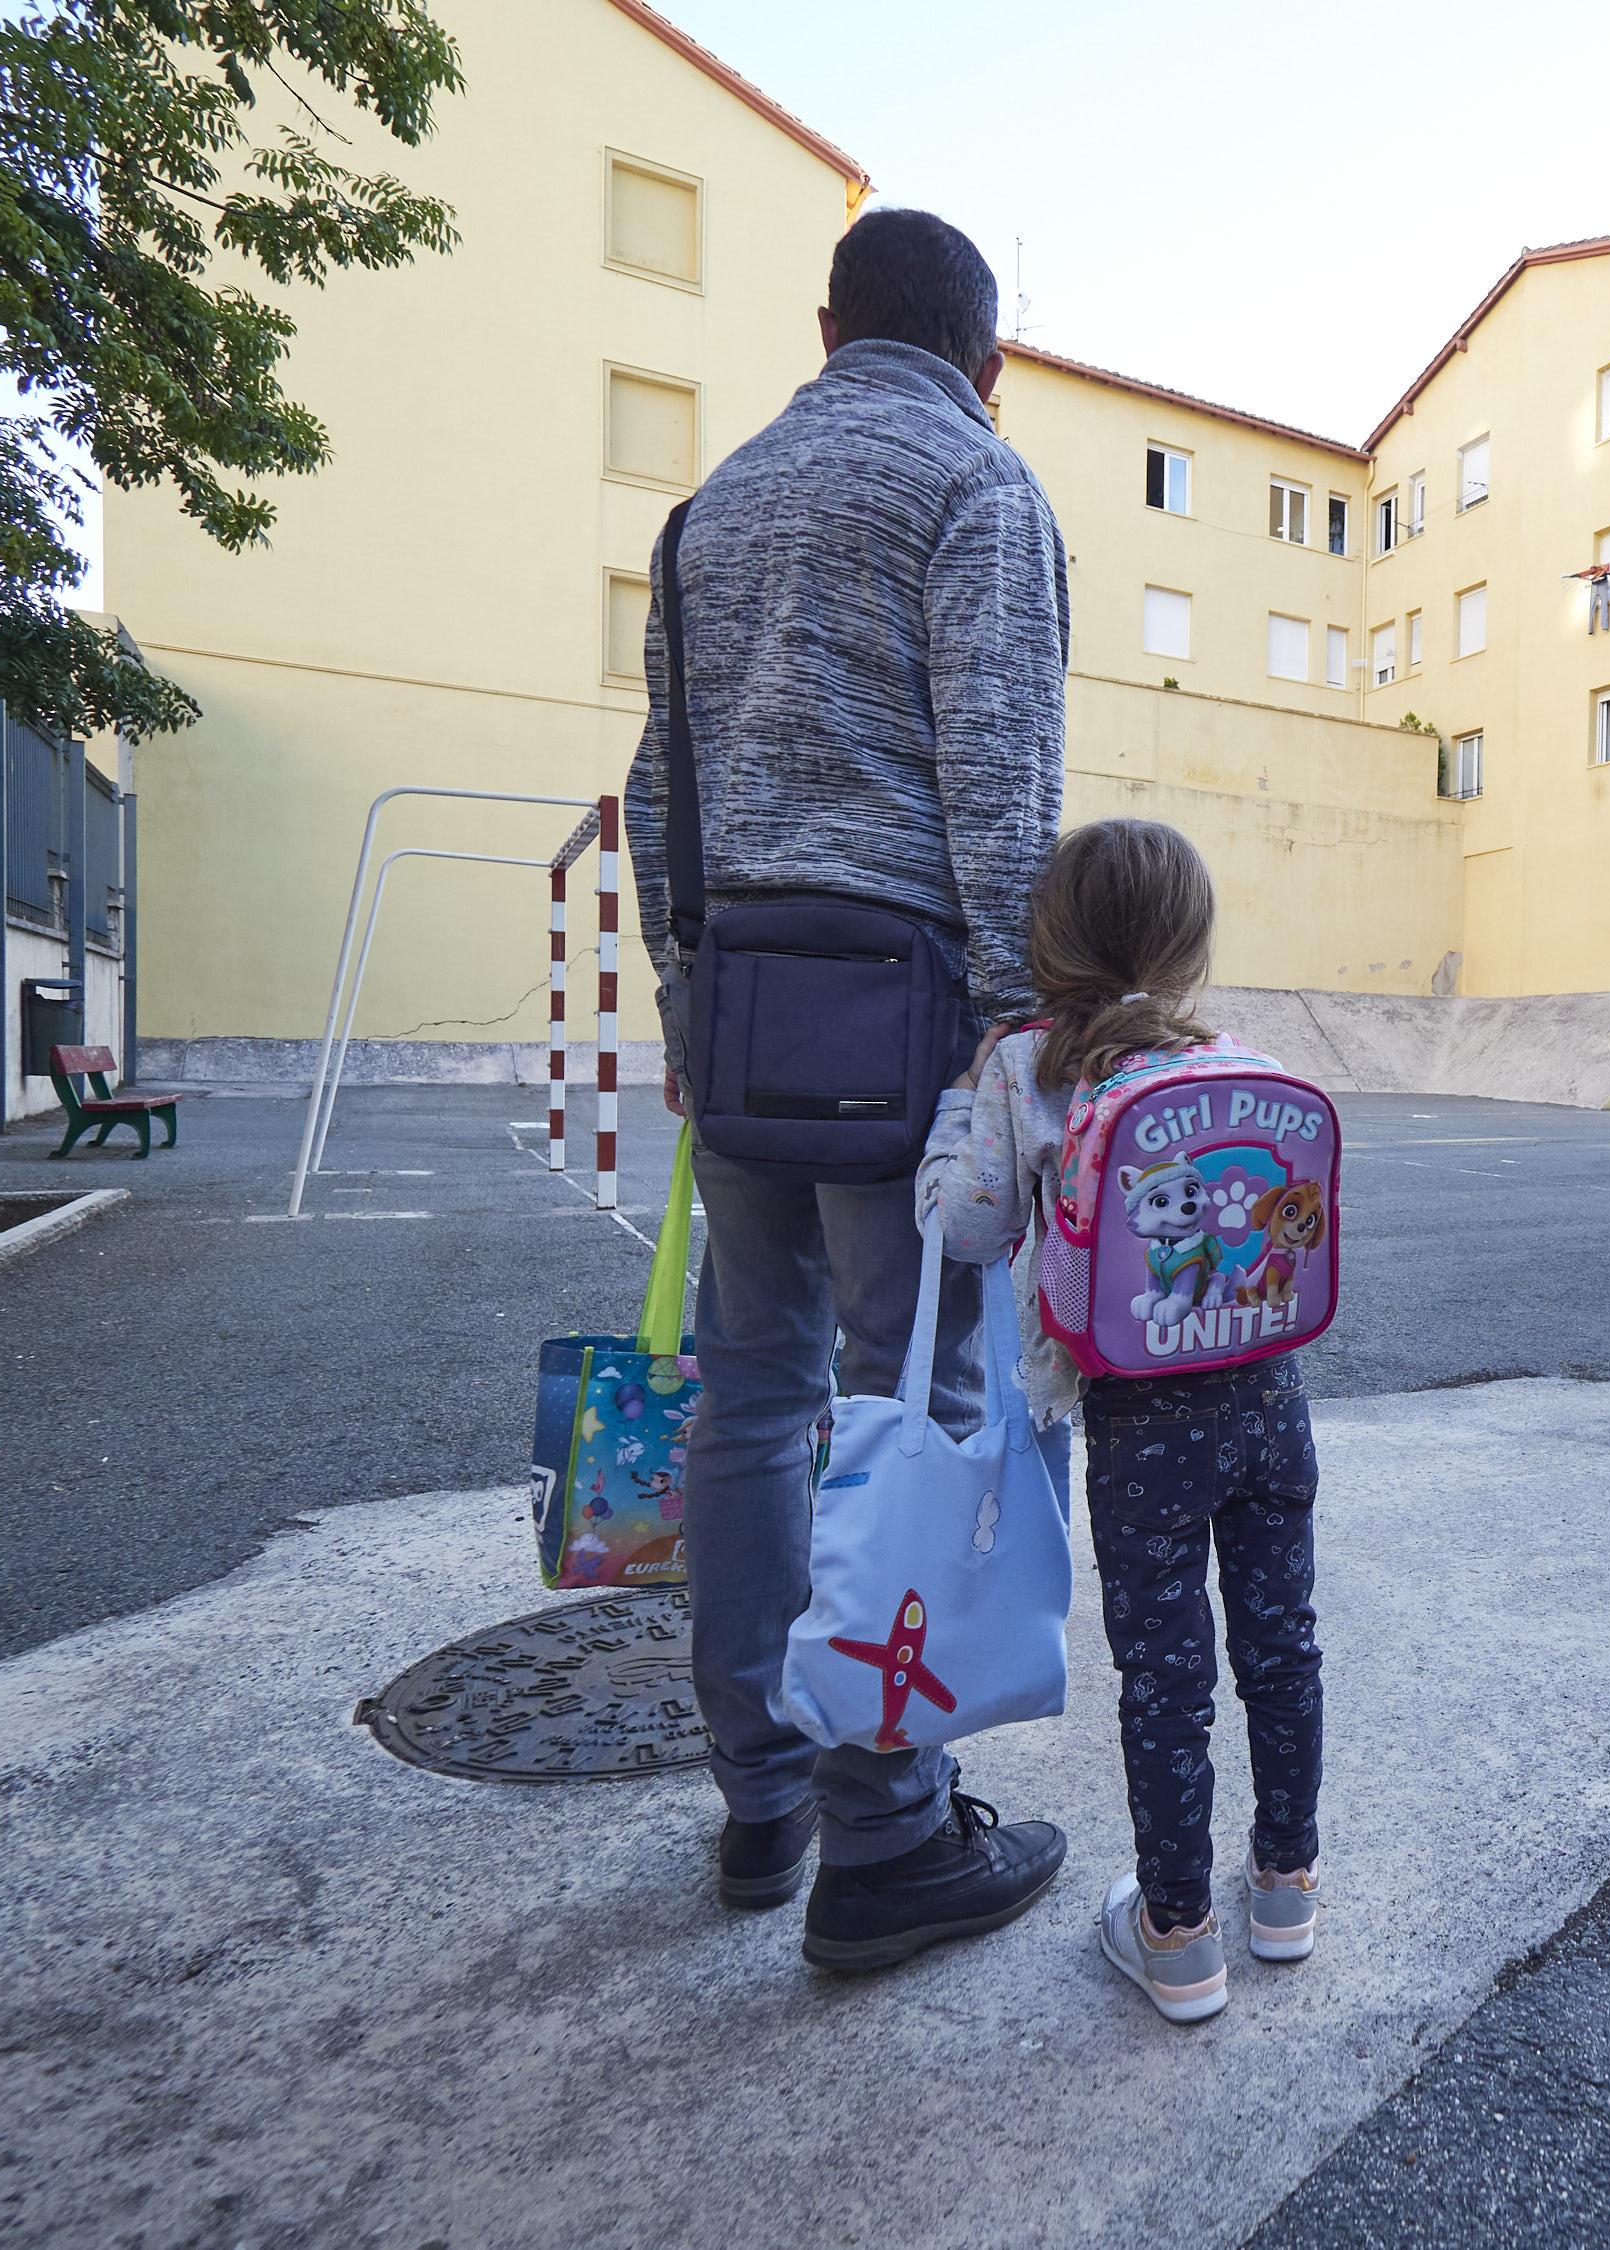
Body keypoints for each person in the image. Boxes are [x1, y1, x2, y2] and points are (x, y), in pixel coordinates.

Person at [623, 208, 1070, 1972]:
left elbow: (662, 780)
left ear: (823, 328)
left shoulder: (708, 508)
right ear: (991, 361)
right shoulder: (979, 485)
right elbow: (1000, 775)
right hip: (908, 1024)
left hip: (742, 1004)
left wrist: (681, 995)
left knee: (750, 1398)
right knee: (921, 1398)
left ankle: (764, 1795)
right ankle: (889, 1838)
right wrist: (1026, 1028)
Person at [917, 820, 1324, 2026]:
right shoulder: (1231, 1054)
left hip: (1143, 1425)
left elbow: (969, 1228)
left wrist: (954, 1109)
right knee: (1283, 1646)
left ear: (1050, 938)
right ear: (1190, 948)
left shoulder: (1028, 1065)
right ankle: (1288, 1889)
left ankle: (1179, 1934)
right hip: (1268, 1397)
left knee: (1164, 1678)